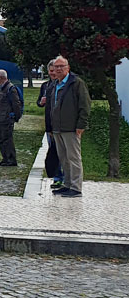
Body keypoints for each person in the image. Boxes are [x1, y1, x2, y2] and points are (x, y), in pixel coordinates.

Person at [47, 56, 89, 198]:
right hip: (57, 128)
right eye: (56, 67)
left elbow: (84, 105)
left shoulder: (76, 83)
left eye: (61, 66)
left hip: (71, 127)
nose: (58, 69)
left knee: (74, 158)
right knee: (63, 158)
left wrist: (81, 125)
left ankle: (76, 188)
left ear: (68, 68)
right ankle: (67, 184)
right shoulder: (55, 84)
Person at [37, 60, 63, 187]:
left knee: (61, 152)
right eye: (51, 71)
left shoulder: (61, 85)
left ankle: (61, 176)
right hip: (49, 124)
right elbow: (38, 102)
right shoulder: (45, 86)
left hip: (60, 124)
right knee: (53, 151)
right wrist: (41, 102)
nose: (53, 73)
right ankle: (56, 176)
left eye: (55, 71)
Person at [0, 70, 23, 166]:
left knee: (7, 140)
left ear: (1, 77)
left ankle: (11, 159)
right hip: (0, 119)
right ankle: (5, 158)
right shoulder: (0, 88)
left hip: (6, 119)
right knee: (1, 139)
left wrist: (15, 117)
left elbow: (16, 104)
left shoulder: (10, 89)